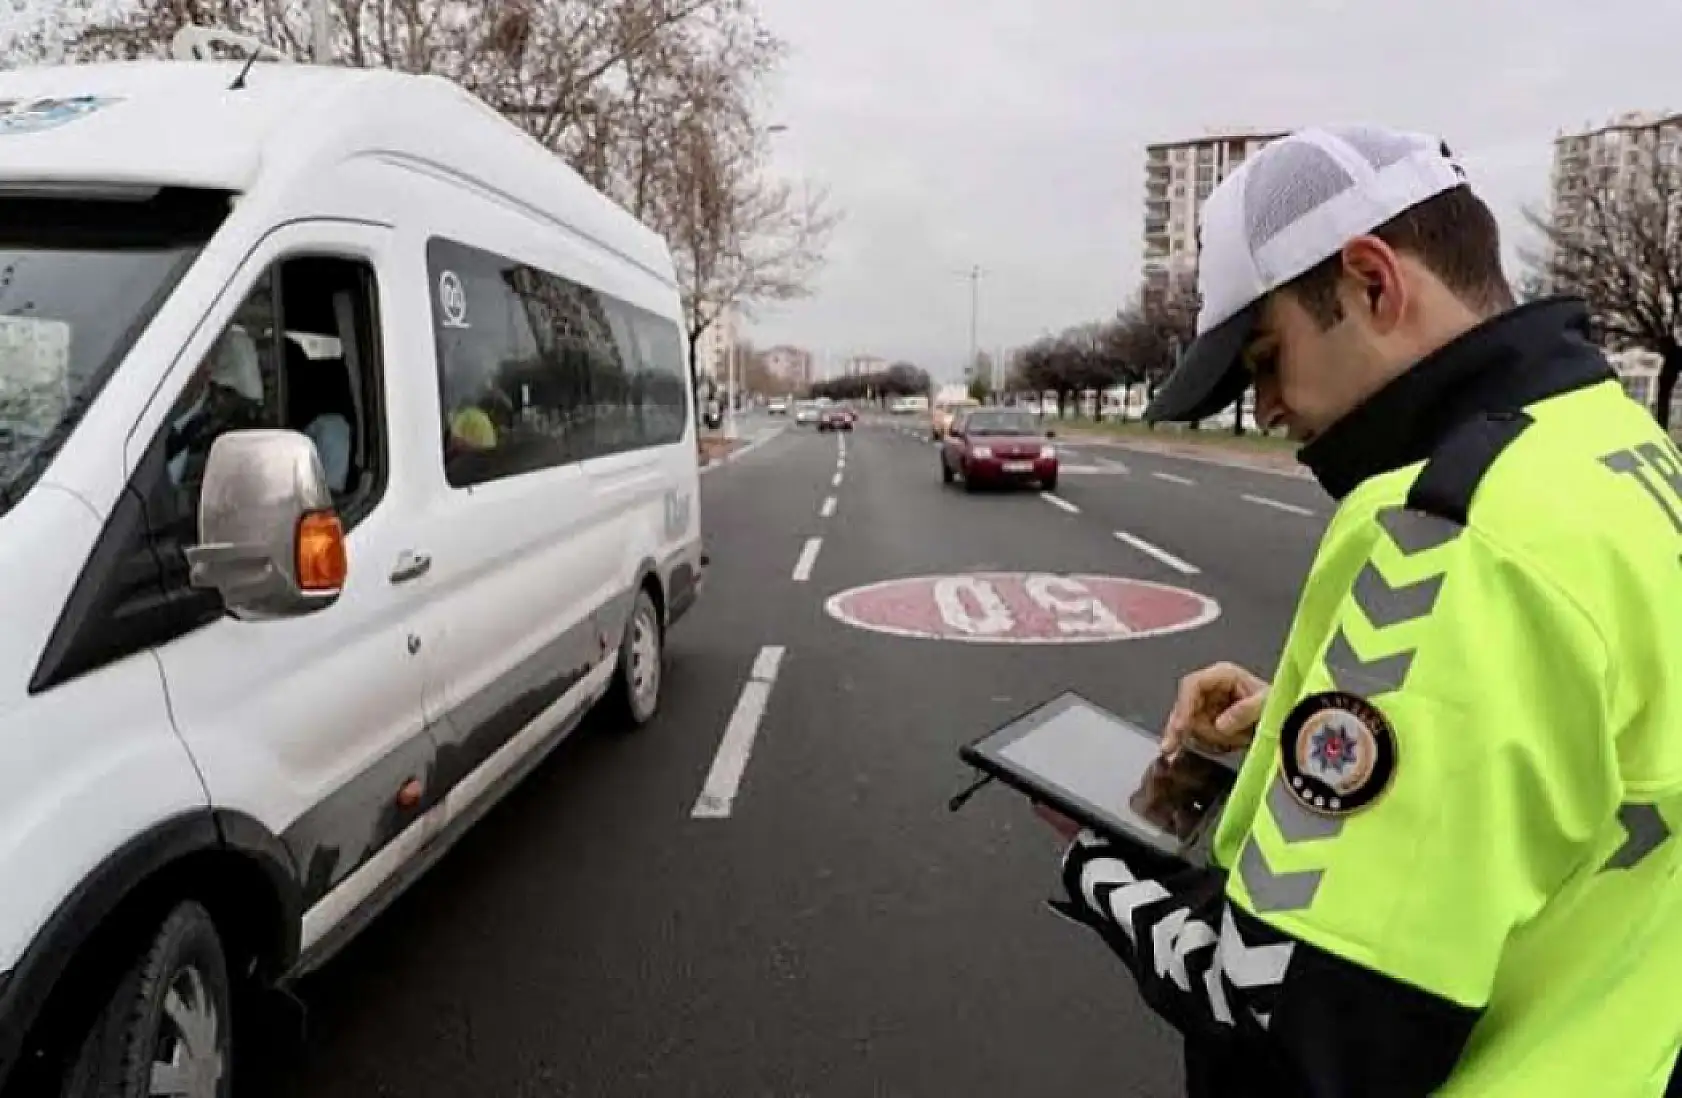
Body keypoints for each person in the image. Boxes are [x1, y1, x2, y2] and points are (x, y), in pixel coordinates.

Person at [1039, 126, 1682, 1096]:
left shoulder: (1443, 529)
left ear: (1371, 283)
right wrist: (1306, 727)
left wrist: (1100, 867)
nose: (1262, 411)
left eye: (1263, 360)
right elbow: (1584, 765)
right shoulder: (1614, 447)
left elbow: (1286, 1019)